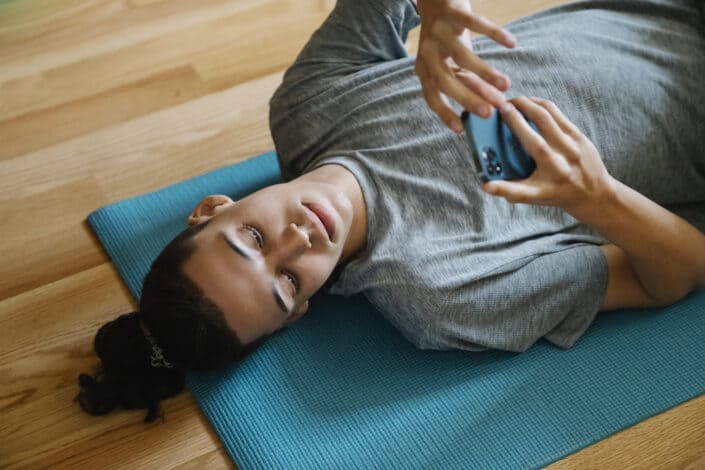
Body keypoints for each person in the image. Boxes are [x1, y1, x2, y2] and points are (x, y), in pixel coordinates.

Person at [77, 0, 705, 422]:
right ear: (298, 312)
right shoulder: (441, 296)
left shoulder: (306, 108)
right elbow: (677, 272)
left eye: (251, 237)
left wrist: (434, 14)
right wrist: (598, 198)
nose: (296, 242)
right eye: (287, 282)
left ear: (213, 207)